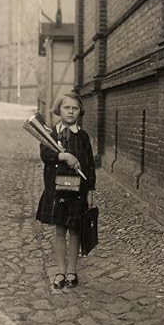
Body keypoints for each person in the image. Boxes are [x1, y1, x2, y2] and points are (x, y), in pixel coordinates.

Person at [36, 92, 96, 289]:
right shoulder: (51, 134)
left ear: (80, 112)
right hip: (57, 191)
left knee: (75, 232)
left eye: (75, 108)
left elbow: (89, 166)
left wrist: (90, 191)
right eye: (66, 107)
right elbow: (45, 154)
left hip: (77, 192)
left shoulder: (83, 136)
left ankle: (72, 271)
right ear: (59, 110)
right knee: (60, 231)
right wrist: (64, 156)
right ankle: (60, 270)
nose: (71, 111)